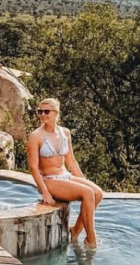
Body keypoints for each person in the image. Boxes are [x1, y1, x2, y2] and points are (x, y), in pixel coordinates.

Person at [27, 98, 103, 247]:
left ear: (56, 113)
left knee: (98, 193)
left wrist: (83, 180)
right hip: (49, 180)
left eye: (46, 111)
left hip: (65, 175)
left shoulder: (65, 133)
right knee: (87, 193)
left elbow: (71, 161)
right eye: (40, 111)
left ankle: (75, 231)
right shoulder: (36, 136)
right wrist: (45, 192)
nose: (42, 115)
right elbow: (33, 168)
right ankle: (91, 240)